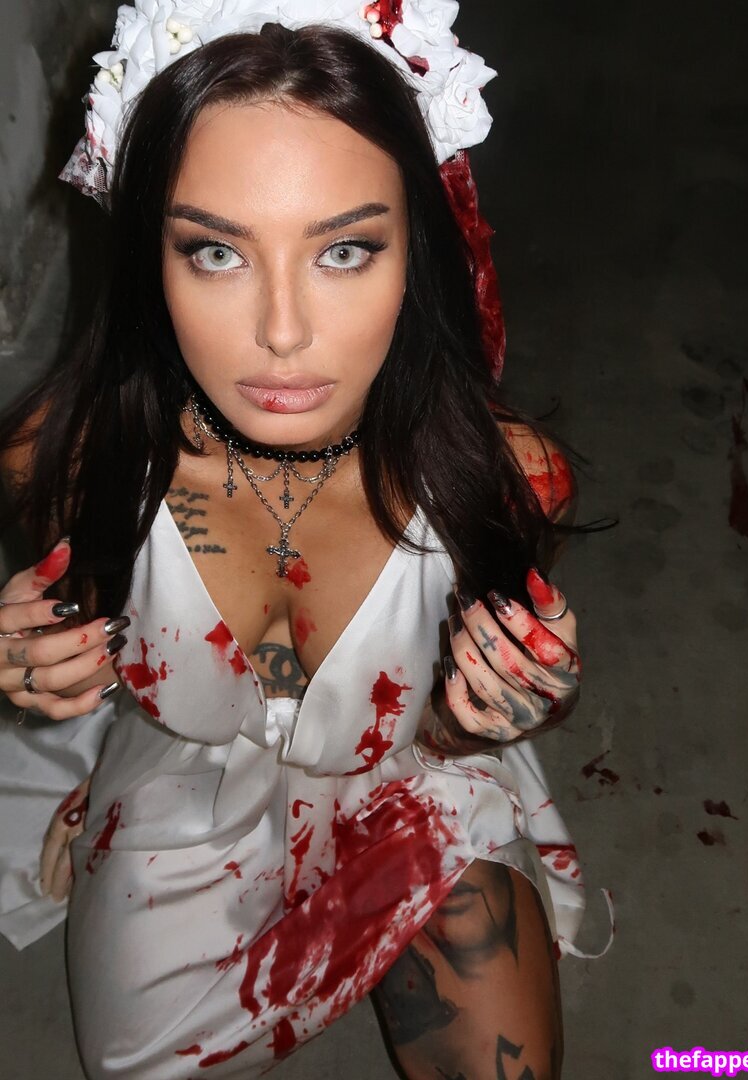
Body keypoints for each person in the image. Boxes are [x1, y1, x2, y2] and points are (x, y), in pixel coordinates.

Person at [0, 4, 611, 1077]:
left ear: (417, 251)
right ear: (149, 259)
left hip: (415, 782)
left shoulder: (511, 477)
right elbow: (67, 638)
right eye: (215, 252)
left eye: (344, 249)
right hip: (176, 806)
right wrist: (29, 661)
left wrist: (509, 701)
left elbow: (462, 714)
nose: (282, 333)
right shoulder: (70, 463)